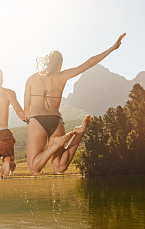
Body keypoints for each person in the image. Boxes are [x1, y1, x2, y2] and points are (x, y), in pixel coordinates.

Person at [24, 33, 126, 174]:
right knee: (59, 167)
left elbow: (26, 111)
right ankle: (78, 133)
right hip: (56, 120)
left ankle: (56, 145)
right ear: (59, 65)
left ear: (47, 62)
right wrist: (112, 48)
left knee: (34, 168)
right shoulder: (62, 75)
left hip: (37, 120)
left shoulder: (31, 79)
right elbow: (89, 63)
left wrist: (30, 126)